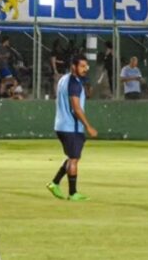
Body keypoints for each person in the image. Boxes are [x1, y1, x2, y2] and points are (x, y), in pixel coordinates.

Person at [46, 55, 98, 202]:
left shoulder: (63, 79)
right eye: (82, 66)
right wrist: (88, 126)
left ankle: (54, 183)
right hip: (71, 127)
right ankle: (73, 193)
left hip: (61, 125)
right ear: (73, 66)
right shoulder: (74, 83)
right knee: (74, 160)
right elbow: (76, 108)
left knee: (71, 157)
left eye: (86, 66)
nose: (85, 69)